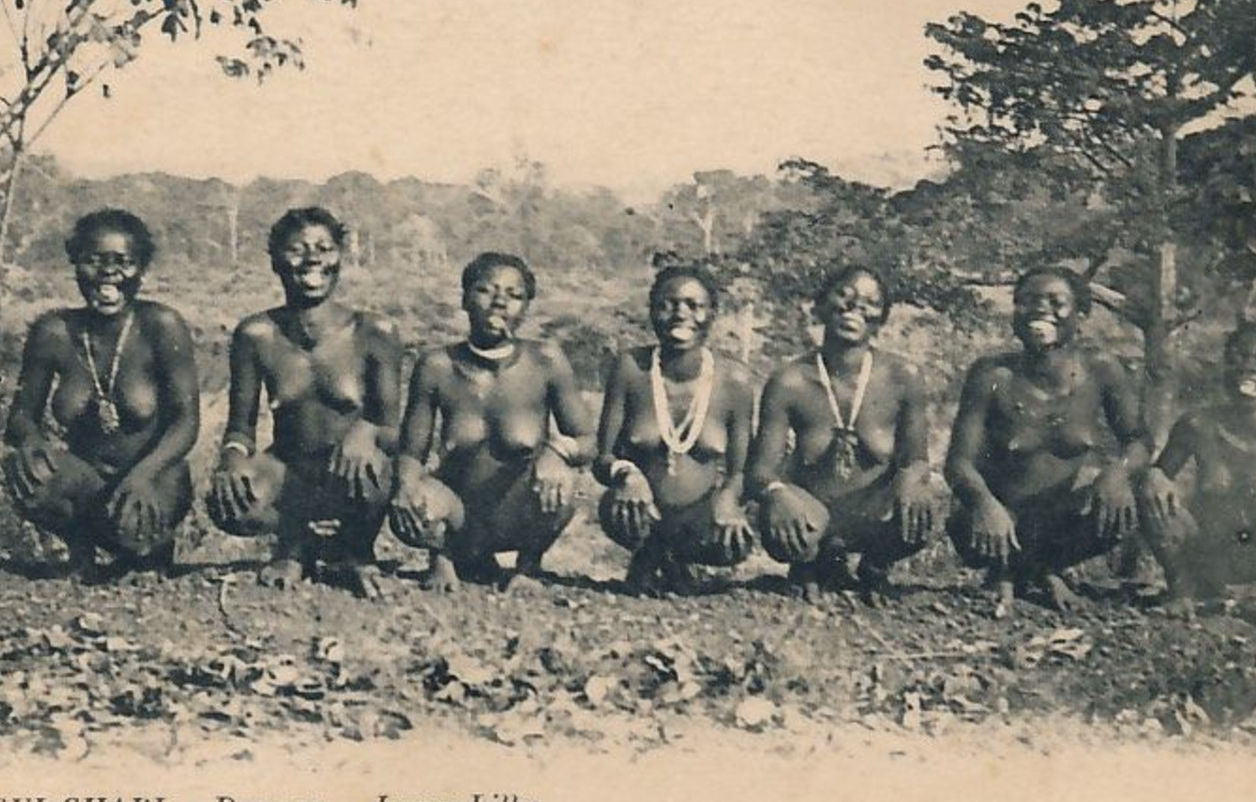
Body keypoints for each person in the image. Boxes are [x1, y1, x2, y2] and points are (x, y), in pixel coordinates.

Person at [206, 207, 403, 597]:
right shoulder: (256, 334)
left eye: (324, 248)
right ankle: (294, 547)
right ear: (276, 261)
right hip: (291, 468)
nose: (312, 259)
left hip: (357, 470)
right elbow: (241, 426)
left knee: (374, 465)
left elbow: (392, 423)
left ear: (340, 258)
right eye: (297, 250)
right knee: (230, 502)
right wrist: (231, 458)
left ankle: (358, 552)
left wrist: (362, 434)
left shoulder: (374, 331)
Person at [3, 209, 199, 585]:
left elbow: (186, 422)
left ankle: (149, 551)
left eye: (123, 262)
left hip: (153, 473)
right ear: (75, 263)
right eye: (94, 260)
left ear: (141, 269)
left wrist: (144, 474)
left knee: (136, 535)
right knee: (31, 474)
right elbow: (21, 416)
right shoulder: (54, 331)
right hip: (86, 477)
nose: (108, 275)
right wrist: (30, 441)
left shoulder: (161, 326)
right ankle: (80, 551)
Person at [945, 265, 1150, 616]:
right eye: (1027, 301)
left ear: (1081, 315)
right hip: (998, 518)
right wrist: (984, 504)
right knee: (967, 520)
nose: (1040, 310)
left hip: (1059, 519)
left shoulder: (1102, 369)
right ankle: (1031, 571)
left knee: (1130, 502)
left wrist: (1118, 473)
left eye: (1056, 302)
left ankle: (1027, 571)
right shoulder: (992, 374)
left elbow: (1138, 440)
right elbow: (958, 463)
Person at [388, 252, 594, 593]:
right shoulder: (436, 365)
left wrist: (557, 452)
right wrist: (407, 489)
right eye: (486, 290)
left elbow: (587, 439)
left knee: (565, 485)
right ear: (465, 299)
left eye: (515, 296)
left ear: (526, 308)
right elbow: (412, 452)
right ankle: (445, 559)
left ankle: (528, 568)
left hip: (522, 513)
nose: (500, 303)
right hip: (456, 515)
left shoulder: (546, 360)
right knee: (413, 493)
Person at [747, 266, 940, 604]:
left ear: (881, 318)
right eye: (844, 296)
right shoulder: (789, 381)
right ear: (820, 306)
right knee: (779, 510)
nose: (855, 308)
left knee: (922, 505)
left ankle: (875, 568)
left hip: (873, 511)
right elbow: (760, 471)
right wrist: (778, 493)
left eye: (870, 302)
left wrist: (912, 480)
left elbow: (917, 459)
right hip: (811, 514)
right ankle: (810, 564)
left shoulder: (904, 376)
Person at [593, 265, 756, 594]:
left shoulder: (734, 380)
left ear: (712, 313)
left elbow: (742, 470)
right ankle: (651, 555)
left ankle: (675, 561)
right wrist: (628, 474)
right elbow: (602, 457)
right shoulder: (630, 369)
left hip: (701, 517)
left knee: (734, 543)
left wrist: (728, 498)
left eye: (694, 305)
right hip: (639, 509)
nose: (681, 314)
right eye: (668, 304)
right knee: (618, 508)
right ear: (652, 311)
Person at [1138, 322, 1256, 628]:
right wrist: (1154, 476)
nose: (1248, 368)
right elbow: (1159, 476)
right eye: (1237, 358)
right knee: (1150, 488)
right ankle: (1183, 590)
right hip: (1206, 552)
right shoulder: (1198, 423)